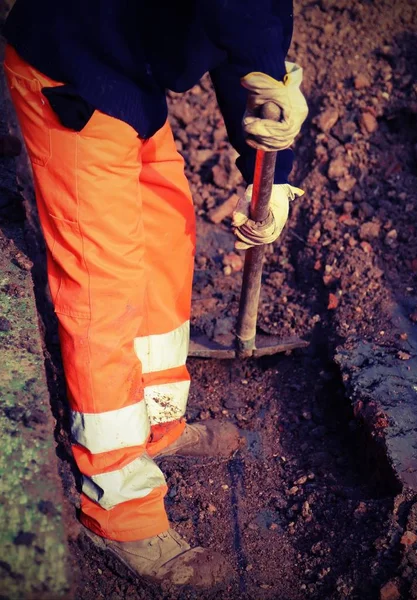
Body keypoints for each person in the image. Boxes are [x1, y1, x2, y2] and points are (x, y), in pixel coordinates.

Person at [2, 0, 308, 589]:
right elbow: (241, 20)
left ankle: (157, 421)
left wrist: (272, 170)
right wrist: (266, 63)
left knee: (166, 234)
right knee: (102, 288)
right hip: (72, 68)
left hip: (128, 75)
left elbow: (237, 58)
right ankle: (118, 504)